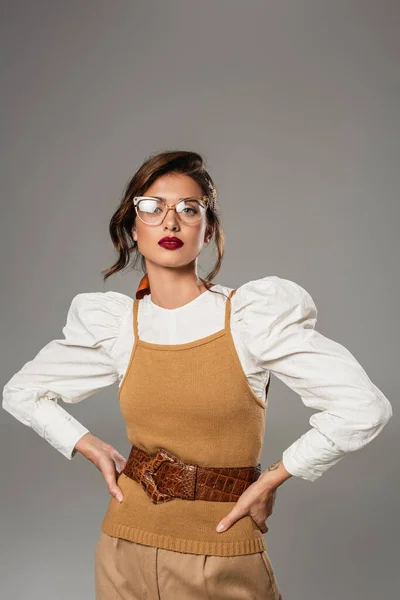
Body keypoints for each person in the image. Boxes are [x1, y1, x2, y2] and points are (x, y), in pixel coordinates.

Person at [2, 150, 393, 600]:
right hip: (123, 547)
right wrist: (86, 444)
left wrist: (274, 477)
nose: (170, 222)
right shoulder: (116, 325)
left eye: (189, 209)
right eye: (152, 207)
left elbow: (363, 407)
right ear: (133, 227)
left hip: (223, 553)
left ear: (208, 231)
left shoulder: (250, 318)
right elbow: (23, 392)